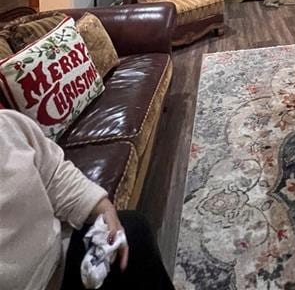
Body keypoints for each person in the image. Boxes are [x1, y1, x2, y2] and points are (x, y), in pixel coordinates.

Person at [0, 109, 174, 290]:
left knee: (135, 231)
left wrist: (102, 206)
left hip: (58, 259)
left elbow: (54, 175)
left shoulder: (8, 125)